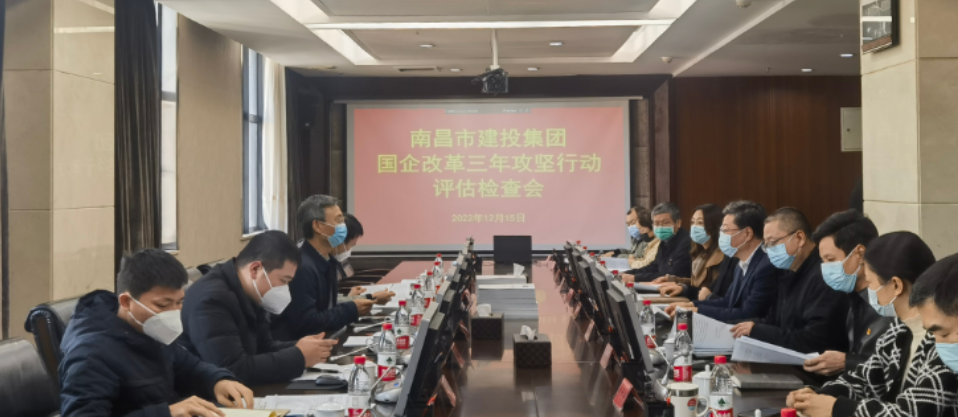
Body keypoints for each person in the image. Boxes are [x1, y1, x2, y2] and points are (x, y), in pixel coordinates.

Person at [59, 249, 254, 417]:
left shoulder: (150, 330)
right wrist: (165, 413)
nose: (174, 313)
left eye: (179, 302)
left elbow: (189, 366)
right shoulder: (91, 354)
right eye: (162, 305)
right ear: (126, 302)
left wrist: (217, 381)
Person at [788, 232, 956, 417]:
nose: (868, 292)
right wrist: (817, 397)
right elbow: (866, 379)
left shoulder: (945, 342)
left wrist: (837, 408)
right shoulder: (899, 330)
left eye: (869, 283)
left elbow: (912, 413)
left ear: (896, 285)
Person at [178, 231, 339, 386]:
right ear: (255, 269)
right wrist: (299, 356)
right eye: (284, 281)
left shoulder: (251, 291)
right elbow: (232, 370)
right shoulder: (211, 301)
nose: (285, 289)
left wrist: (302, 347)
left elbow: (263, 346)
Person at [730, 207, 849, 354]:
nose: (769, 250)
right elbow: (774, 321)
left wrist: (759, 331)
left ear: (799, 238)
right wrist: (737, 327)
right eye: (766, 245)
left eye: (773, 242)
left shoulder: (825, 275)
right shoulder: (787, 271)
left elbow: (813, 340)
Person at [272, 195, 375, 341]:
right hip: (301, 347)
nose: (343, 227)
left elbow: (326, 309)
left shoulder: (326, 260)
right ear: (318, 226)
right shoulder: (302, 267)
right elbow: (307, 322)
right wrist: (351, 309)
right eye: (338, 220)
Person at [803, 210, 891, 376]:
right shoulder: (850, 296)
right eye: (823, 261)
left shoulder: (888, 303)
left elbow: (891, 367)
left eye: (831, 260)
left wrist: (846, 362)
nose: (825, 268)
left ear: (860, 253)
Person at [665, 200, 779, 322]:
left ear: (747, 233)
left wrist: (696, 311)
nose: (721, 235)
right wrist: (690, 305)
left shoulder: (766, 266)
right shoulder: (741, 263)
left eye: (725, 230)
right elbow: (728, 301)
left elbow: (747, 313)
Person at [656, 204, 736, 301]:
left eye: (700, 223)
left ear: (714, 226)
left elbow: (708, 290)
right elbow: (696, 284)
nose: (694, 227)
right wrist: (673, 280)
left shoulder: (723, 256)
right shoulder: (701, 253)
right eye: (693, 222)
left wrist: (683, 288)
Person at [621, 202, 690, 283]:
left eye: (666, 222)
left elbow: (671, 275)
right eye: (656, 223)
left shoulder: (686, 243)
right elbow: (654, 267)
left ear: (678, 223)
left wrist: (635, 278)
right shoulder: (665, 241)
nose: (660, 227)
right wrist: (627, 273)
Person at [335, 213, 395, 305]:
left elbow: (332, 300)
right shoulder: (318, 265)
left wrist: (349, 297)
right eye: (350, 246)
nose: (349, 250)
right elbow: (327, 305)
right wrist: (371, 297)